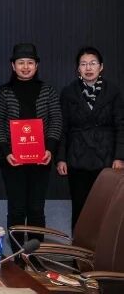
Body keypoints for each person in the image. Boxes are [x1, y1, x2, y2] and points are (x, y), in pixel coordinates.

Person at [0, 43, 62, 248]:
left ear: (36, 65)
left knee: (36, 209)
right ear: (13, 66)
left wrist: (50, 149)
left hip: (41, 160)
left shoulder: (48, 91)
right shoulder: (4, 92)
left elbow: (56, 120)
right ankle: (17, 257)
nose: (25, 67)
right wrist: (6, 151)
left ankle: (34, 256)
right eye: (20, 62)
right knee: (16, 209)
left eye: (30, 63)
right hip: (12, 161)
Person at [57, 46, 124, 228]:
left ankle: (103, 246)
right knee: (80, 209)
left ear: (101, 67)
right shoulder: (68, 92)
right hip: (77, 159)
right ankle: (79, 246)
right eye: (83, 64)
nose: (88, 68)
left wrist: (119, 157)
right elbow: (63, 127)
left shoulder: (113, 91)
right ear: (78, 68)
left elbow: (121, 125)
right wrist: (61, 158)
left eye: (93, 63)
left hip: (106, 159)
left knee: (105, 209)